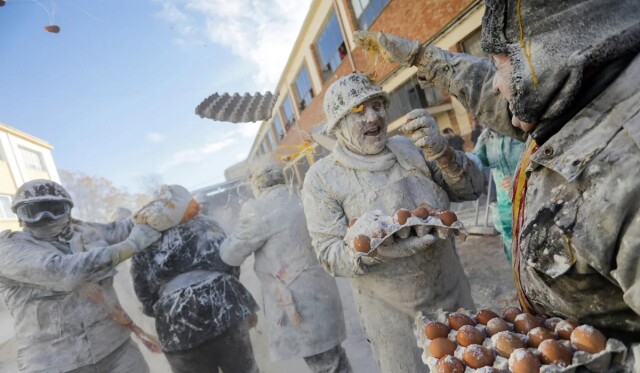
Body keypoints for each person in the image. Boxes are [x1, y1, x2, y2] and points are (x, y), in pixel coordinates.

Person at [353, 0, 640, 367]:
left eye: (502, 65)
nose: (497, 84)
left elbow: (471, 182)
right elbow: (504, 92)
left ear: (551, 55)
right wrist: (423, 59)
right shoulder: (574, 95)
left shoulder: (627, 165)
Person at [302, 73, 484, 372]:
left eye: (377, 105)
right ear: (337, 125)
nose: (374, 117)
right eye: (359, 111)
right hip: (393, 319)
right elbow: (328, 255)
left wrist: (444, 153)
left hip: (452, 296)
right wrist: (372, 250)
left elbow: (471, 189)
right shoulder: (323, 178)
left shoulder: (408, 149)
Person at [0, 179, 160, 373]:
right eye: (33, 211)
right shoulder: (9, 248)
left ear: (68, 211)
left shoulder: (86, 232)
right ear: (19, 216)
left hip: (116, 348)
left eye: (54, 208)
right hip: (55, 363)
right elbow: (63, 272)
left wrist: (162, 209)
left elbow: (126, 227)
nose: (45, 217)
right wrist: (130, 246)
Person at [220, 158, 352, 373]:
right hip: (323, 296)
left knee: (325, 365)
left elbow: (230, 254)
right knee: (334, 358)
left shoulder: (258, 209)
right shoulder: (300, 197)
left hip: (299, 305)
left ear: (255, 182)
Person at [130, 184, 260, 373]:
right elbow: (231, 262)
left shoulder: (144, 240)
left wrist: (163, 308)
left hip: (176, 322)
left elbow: (142, 290)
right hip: (224, 304)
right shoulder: (207, 224)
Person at [473, 128, 525, 261]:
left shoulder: (523, 128)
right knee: (514, 253)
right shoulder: (488, 136)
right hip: (506, 208)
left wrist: (522, 177)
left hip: (530, 201)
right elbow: (475, 162)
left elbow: (543, 155)